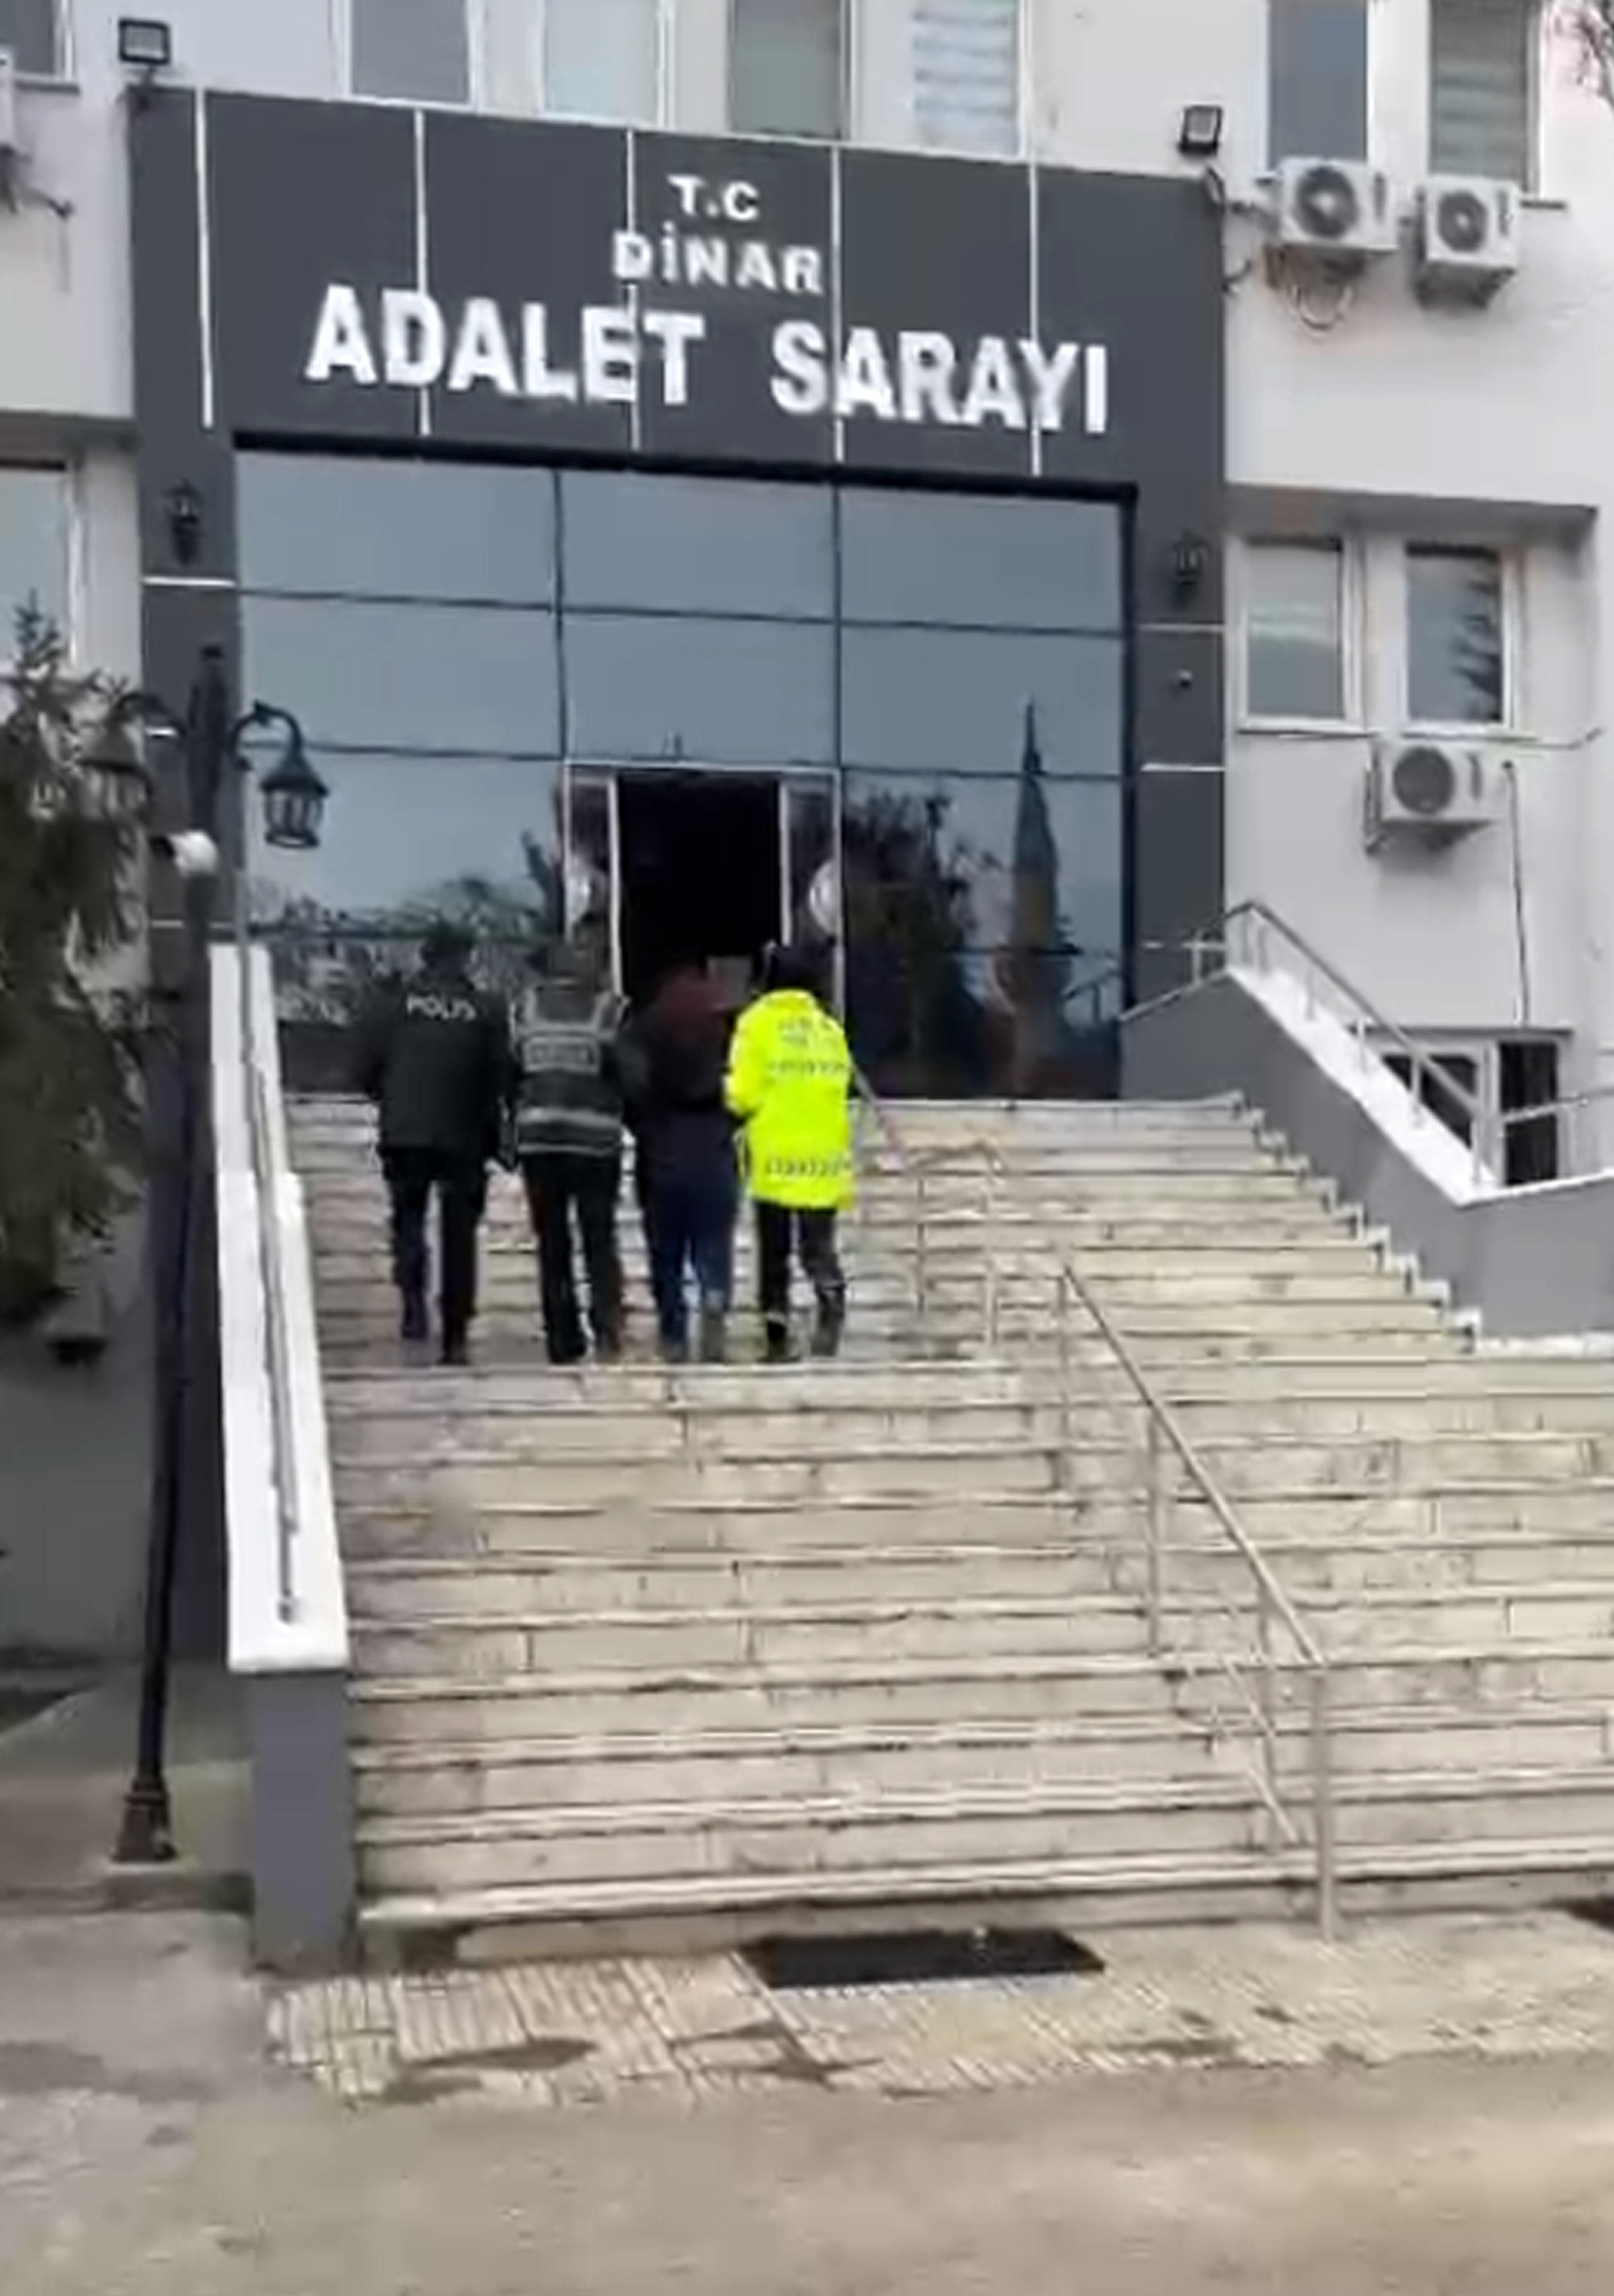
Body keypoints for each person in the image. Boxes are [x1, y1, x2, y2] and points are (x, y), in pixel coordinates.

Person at [353, 921, 509, 1368]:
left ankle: (413, 1304)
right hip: (464, 1135)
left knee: (408, 1219)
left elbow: (364, 1069)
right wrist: (498, 1135)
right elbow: (499, 1076)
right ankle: (455, 1334)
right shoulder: (486, 1009)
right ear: (466, 957)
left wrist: (392, 1098)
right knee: (460, 1236)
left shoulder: (392, 1005)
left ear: (425, 956)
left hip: (405, 1131)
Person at [725, 943, 853, 1365]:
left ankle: (777, 1336)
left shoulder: (756, 1024)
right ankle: (830, 1303)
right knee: (818, 1245)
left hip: (775, 1156)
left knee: (775, 1252)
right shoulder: (829, 1029)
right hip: (824, 1156)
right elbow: (842, 1084)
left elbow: (743, 1095)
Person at [512, 938, 626, 1366]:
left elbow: (511, 1069)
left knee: (552, 1242)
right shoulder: (610, 1010)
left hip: (539, 1140)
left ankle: (562, 1338)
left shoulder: (524, 1009)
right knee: (599, 1238)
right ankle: (607, 1330)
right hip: (595, 1143)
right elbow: (627, 1073)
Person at [627, 956, 738, 1365]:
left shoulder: (647, 1025)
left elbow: (633, 1086)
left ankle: (673, 1332)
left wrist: (640, 1123)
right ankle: (714, 1299)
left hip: (661, 1149)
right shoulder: (724, 1024)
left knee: (666, 1252)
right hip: (712, 1145)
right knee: (713, 1242)